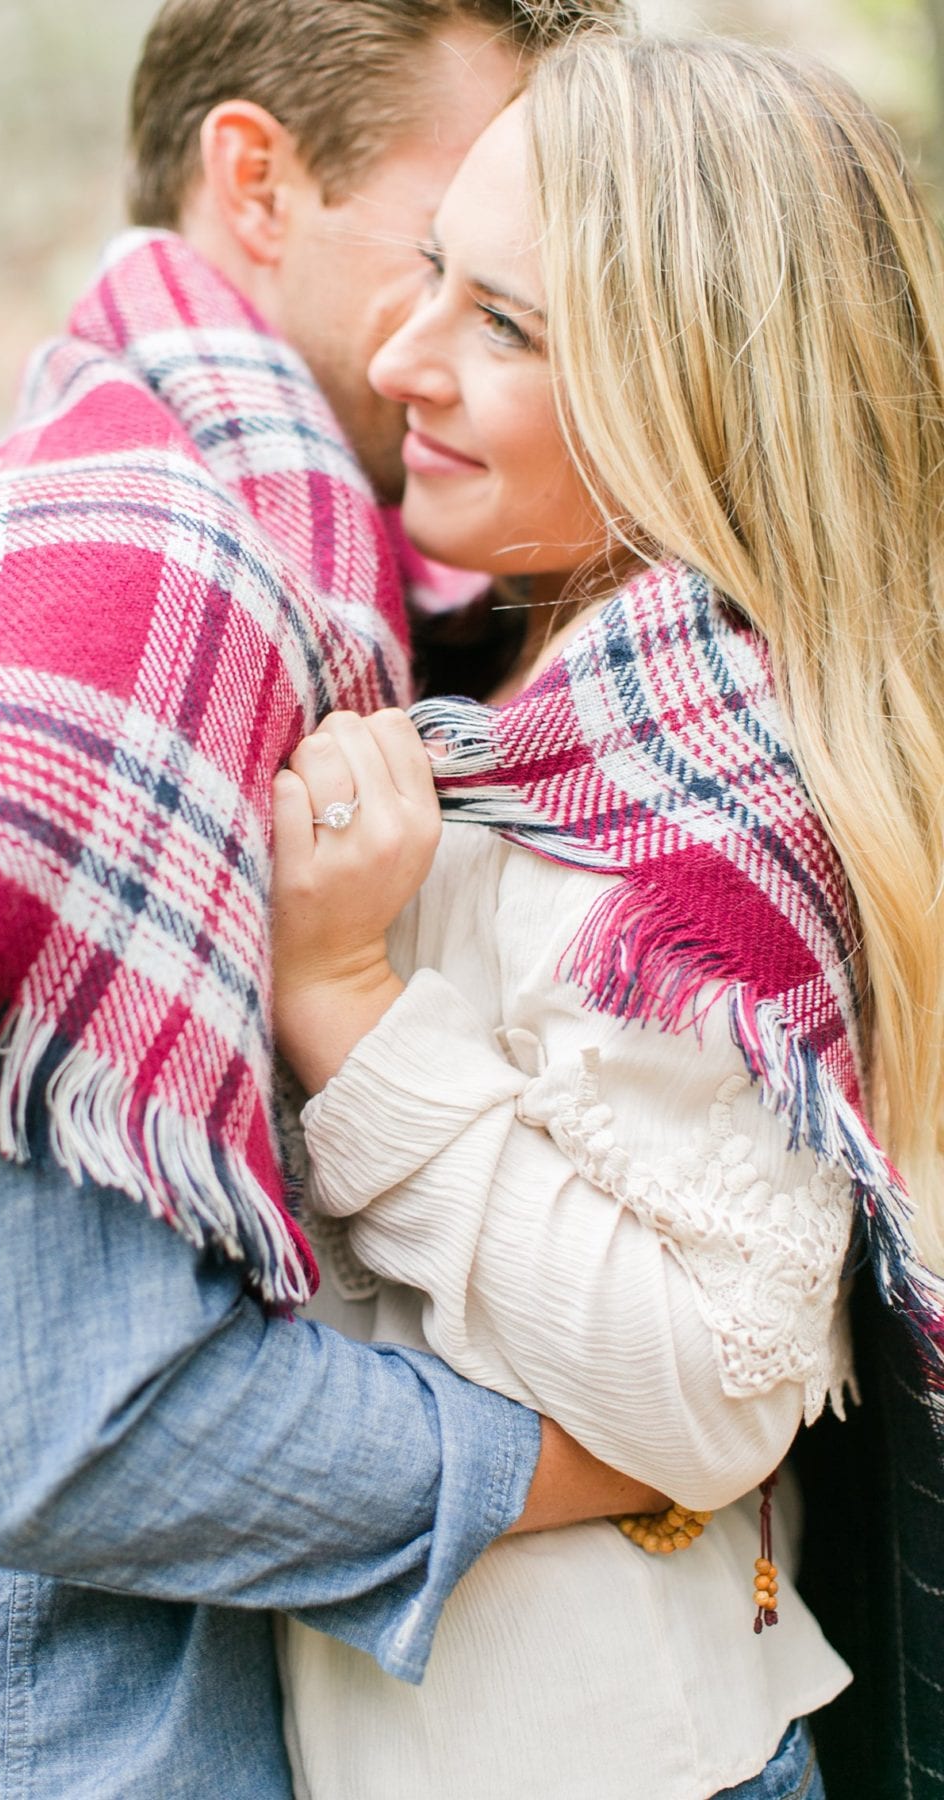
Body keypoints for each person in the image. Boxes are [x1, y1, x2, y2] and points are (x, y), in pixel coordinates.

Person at [0, 2, 667, 1796]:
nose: (519, 298)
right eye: (458, 232)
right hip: (30, 1748)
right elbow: (90, 1436)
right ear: (256, 178)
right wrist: (605, 1456)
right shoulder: (130, 576)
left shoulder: (191, 551)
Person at [271, 33, 944, 1799]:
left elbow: (708, 1388)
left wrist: (345, 1000)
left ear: (689, 397)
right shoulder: (566, 708)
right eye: (431, 276)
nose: (396, 355)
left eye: (506, 325)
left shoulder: (698, 814)